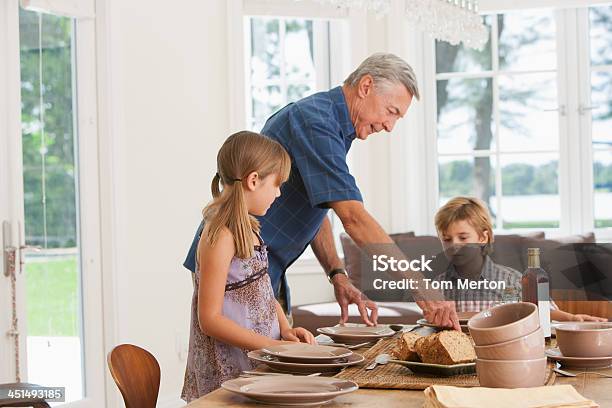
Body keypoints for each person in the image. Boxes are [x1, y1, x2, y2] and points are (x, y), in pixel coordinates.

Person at [184, 53, 460, 331]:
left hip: (262, 269)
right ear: (365, 87)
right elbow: (352, 216)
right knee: (245, 367)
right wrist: (420, 287)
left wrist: (336, 272)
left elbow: (316, 207)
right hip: (235, 265)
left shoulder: (333, 126)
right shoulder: (316, 122)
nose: (390, 126)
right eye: (391, 112)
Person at [181, 131, 315, 402]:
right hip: (229, 376)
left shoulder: (250, 229)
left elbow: (263, 290)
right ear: (254, 180)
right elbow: (209, 319)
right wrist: (273, 347)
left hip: (256, 366)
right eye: (277, 185)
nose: (278, 194)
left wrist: (285, 331)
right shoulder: (219, 235)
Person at [434, 196, 608, 322]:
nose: (454, 245)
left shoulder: (512, 279)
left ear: (483, 238)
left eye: (463, 238)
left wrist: (573, 318)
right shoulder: (438, 286)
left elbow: (544, 311)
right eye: (447, 239)